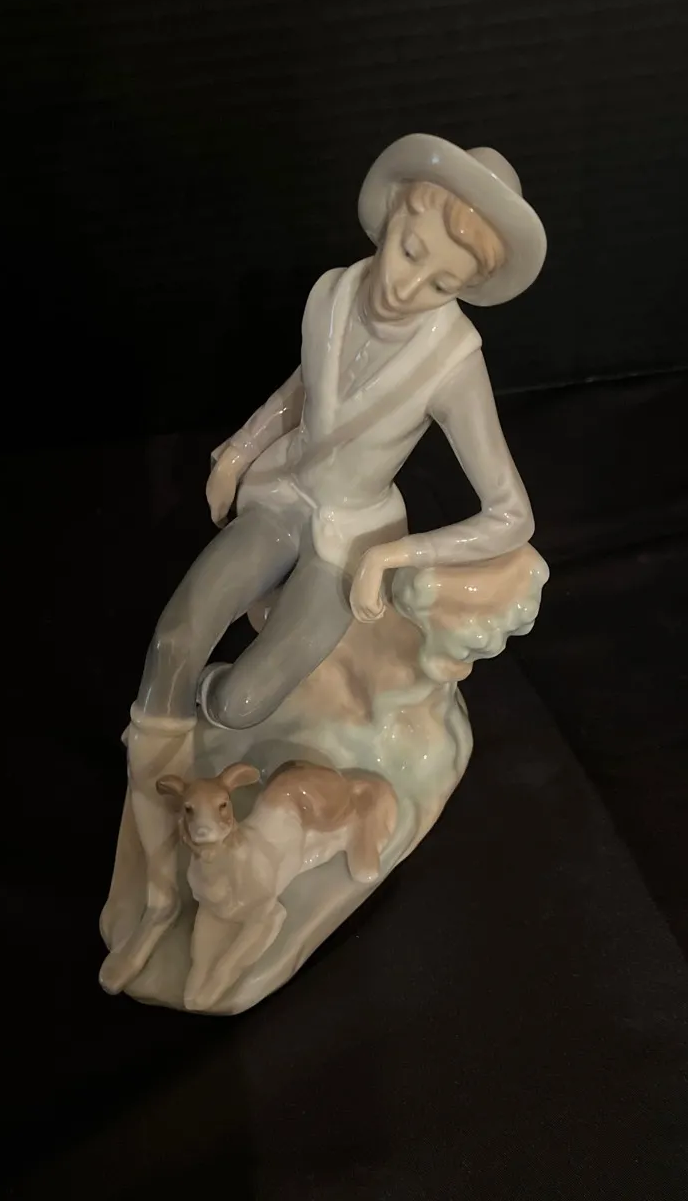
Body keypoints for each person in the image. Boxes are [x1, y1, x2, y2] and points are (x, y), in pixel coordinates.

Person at [100, 134, 547, 992]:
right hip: (284, 498)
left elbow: (511, 513)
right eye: (410, 251)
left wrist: (396, 558)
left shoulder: (454, 362)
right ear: (394, 214)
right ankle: (153, 840)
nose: (407, 286)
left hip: (350, 537)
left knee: (239, 701)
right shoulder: (334, 292)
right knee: (174, 639)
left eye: (441, 282)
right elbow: (305, 387)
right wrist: (239, 450)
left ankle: (217, 773)